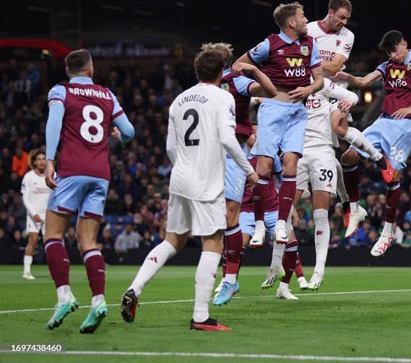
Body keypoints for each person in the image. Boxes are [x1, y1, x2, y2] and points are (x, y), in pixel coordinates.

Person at [120, 44, 256, 331]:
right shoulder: (223, 97)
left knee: (173, 240)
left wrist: (186, 166)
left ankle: (136, 287)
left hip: (180, 177)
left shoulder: (178, 101)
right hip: (206, 181)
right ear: (222, 71)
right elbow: (229, 140)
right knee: (214, 242)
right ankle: (201, 316)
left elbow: (170, 148)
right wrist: (249, 170)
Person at [43, 49, 135, 333]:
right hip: (100, 174)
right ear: (90, 68)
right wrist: (113, 138)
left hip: (71, 170)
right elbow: (129, 132)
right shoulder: (107, 95)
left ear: (69, 70)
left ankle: (65, 296)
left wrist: (48, 161)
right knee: (88, 242)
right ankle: (97, 301)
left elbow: (55, 123)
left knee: (53, 235)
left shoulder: (60, 91)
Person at [336, 30, 411, 257]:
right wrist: (343, 77)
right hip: (382, 122)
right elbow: (362, 81)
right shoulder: (387, 65)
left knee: (393, 177)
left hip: (406, 124)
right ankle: (355, 208)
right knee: (348, 157)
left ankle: (388, 231)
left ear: (404, 43)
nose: (392, 55)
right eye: (388, 52)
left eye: (394, 50)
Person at [232, 2, 324, 244]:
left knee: (290, 165)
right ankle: (260, 224)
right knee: (263, 168)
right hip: (272, 109)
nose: (307, 20)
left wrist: (309, 88)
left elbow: (320, 81)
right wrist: (255, 85)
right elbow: (237, 66)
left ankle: (280, 223)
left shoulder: (310, 44)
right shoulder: (269, 44)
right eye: (303, 16)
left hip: (297, 111)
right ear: (291, 22)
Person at [306, 0, 393, 233]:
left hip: (336, 89)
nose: (344, 22)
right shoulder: (309, 30)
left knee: (338, 130)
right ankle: (351, 204)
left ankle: (379, 160)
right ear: (330, 12)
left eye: (347, 18)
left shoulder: (347, 36)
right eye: (341, 17)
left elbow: (334, 68)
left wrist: (307, 60)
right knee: (338, 154)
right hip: (313, 90)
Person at [207, 43, 276, 306]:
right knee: (215, 216)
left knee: (230, 214)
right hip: (209, 150)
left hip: (234, 150)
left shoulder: (237, 81)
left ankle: (229, 278)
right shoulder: (204, 87)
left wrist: (253, 70)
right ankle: (216, 273)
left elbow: (269, 91)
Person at [295, 78, 360, 290]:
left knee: (320, 214)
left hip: (323, 152)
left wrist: (346, 104)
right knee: (283, 212)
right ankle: (285, 272)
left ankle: (318, 271)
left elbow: (351, 97)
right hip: (298, 154)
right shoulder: (297, 90)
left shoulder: (334, 104)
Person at [20, 149, 52, 280]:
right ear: (34, 162)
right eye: (38, 159)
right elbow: (25, 198)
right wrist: (33, 214)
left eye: (43, 159)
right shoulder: (28, 177)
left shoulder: (51, 175)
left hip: (49, 215)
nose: (41, 161)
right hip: (34, 216)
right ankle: (26, 271)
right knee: (32, 241)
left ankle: (55, 271)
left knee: (50, 243)